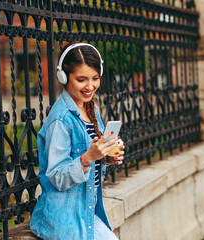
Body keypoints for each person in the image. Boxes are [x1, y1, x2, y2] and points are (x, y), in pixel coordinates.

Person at [30, 43, 124, 240]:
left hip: (87, 212)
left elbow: (91, 164)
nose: (90, 86)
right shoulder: (60, 120)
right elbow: (57, 176)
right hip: (64, 218)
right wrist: (87, 158)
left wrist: (105, 157)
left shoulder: (91, 109)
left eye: (95, 78)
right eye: (81, 80)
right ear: (64, 77)